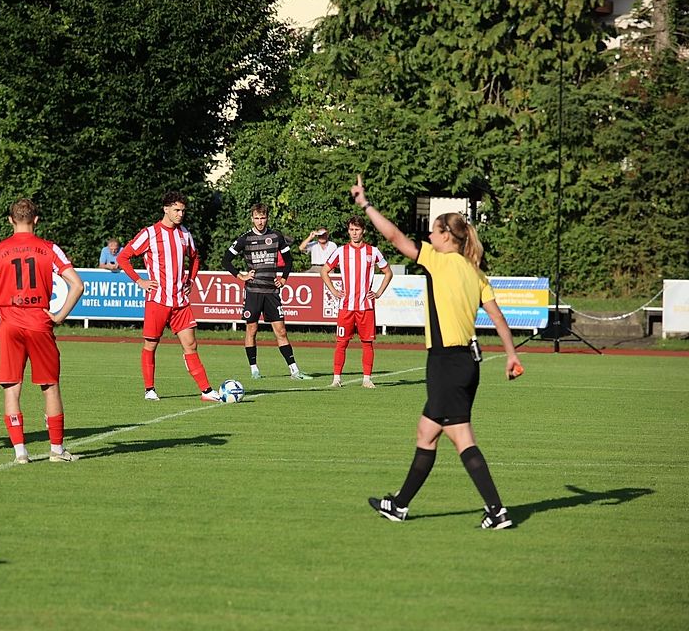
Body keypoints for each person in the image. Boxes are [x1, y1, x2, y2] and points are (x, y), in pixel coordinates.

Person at [351, 174, 522, 530]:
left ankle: (497, 510)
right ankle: (398, 505)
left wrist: (366, 205)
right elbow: (499, 319)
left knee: (461, 437)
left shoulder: (439, 260)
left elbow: (394, 237)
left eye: (433, 230)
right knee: (426, 433)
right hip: (467, 363)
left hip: (445, 362)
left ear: (447, 236)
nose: (429, 235)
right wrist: (511, 355)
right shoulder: (475, 272)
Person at [0, 198, 85, 464]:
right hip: (39, 320)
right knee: (49, 386)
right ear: (36, 220)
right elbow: (77, 285)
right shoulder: (49, 249)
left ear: (10, 220)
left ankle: (21, 453)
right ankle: (57, 451)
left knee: (12, 387)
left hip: (9, 321)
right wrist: (60, 315)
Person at [116, 191, 222, 402]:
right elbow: (123, 257)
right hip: (157, 300)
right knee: (151, 345)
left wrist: (190, 281)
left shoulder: (185, 234)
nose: (180, 214)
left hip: (180, 302)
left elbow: (195, 258)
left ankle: (206, 390)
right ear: (165, 209)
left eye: (182, 210)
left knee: (190, 344)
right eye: (176, 210)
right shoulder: (150, 233)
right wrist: (140, 281)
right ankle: (149, 389)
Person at [221, 203, 312, 381]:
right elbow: (226, 260)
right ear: (252, 218)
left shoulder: (276, 236)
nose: (260, 221)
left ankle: (294, 370)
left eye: (263, 218)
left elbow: (288, 260)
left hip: (271, 292)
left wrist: (284, 278)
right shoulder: (245, 239)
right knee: (252, 329)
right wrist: (240, 275)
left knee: (281, 331)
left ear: (267, 218)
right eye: (257, 218)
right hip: (253, 291)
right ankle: (254, 369)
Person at [321, 215, 394, 388]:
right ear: (348, 231)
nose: (354, 233)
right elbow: (324, 271)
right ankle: (336, 379)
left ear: (363, 231)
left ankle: (367, 379)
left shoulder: (373, 251)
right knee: (341, 343)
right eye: (352, 230)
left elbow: (388, 272)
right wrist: (333, 291)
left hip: (365, 307)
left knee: (367, 343)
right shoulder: (340, 251)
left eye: (357, 229)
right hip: (346, 307)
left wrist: (378, 292)